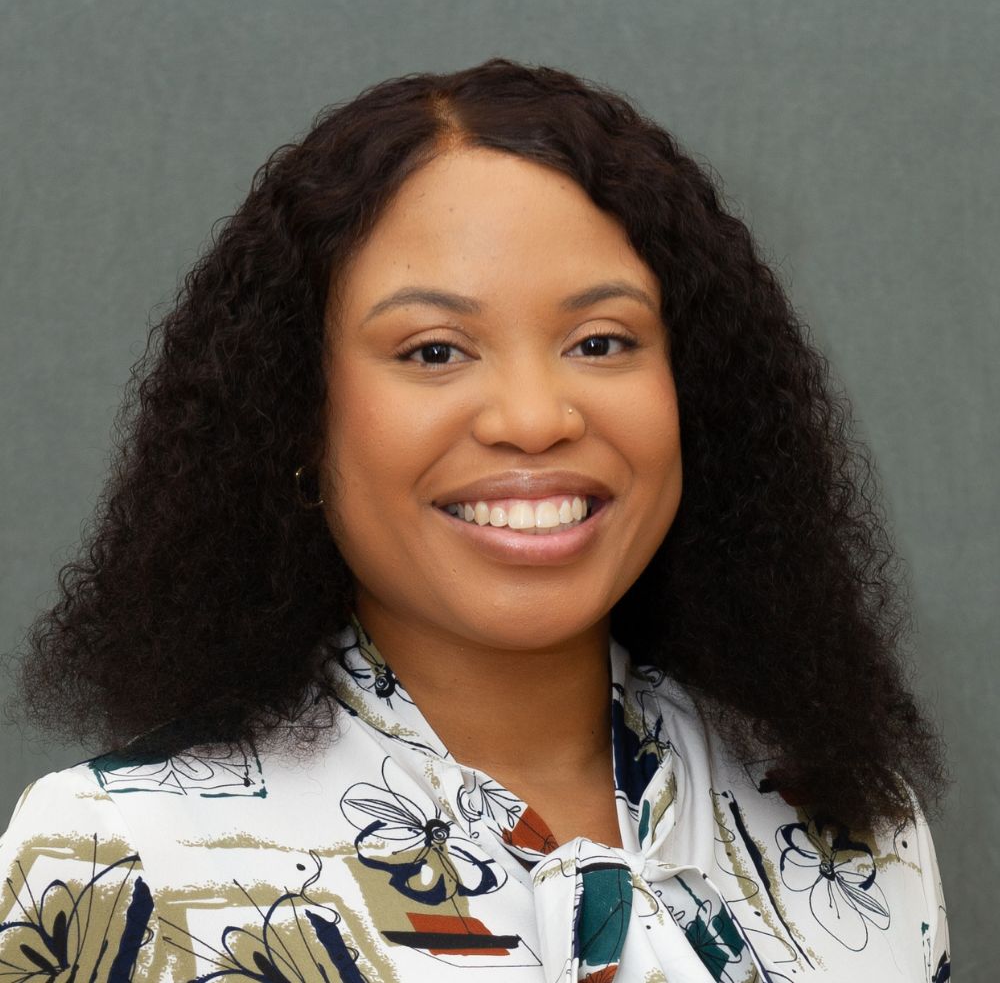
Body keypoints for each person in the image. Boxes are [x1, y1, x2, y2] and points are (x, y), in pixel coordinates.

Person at [0, 59, 949, 982]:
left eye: (601, 341)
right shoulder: (122, 863)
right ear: (294, 413)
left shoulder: (854, 832)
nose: (535, 418)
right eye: (435, 350)